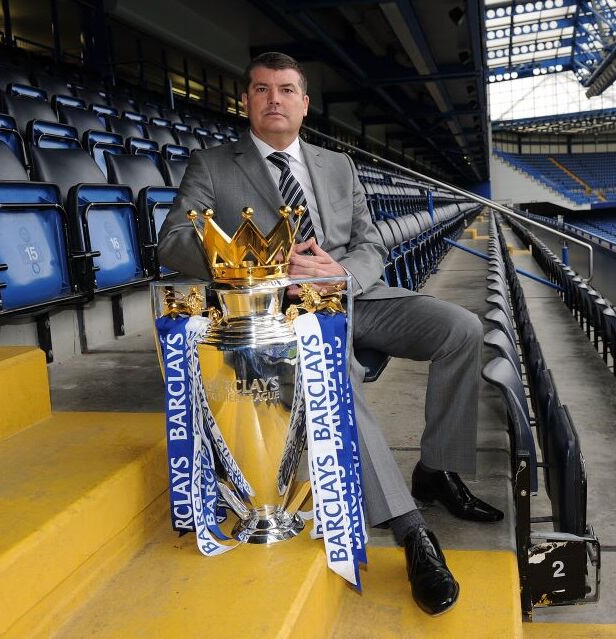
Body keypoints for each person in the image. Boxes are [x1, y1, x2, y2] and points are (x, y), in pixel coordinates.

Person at [157, 51, 502, 616]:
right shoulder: (214, 165)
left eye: (286, 89)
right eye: (262, 89)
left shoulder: (336, 164)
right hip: (278, 313)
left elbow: (371, 244)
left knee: (462, 329)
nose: (275, 99)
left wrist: (342, 273)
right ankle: (411, 531)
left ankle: (436, 469)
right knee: (333, 373)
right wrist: (260, 263)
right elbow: (172, 240)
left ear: (304, 102)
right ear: (245, 101)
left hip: (352, 297)